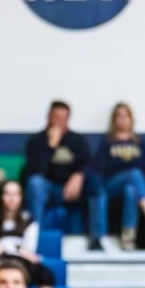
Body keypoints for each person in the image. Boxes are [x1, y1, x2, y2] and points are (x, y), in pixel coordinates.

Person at [22, 100, 103, 250]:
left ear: (68, 119)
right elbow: (35, 171)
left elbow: (88, 164)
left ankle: (96, 239)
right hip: (48, 189)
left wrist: (78, 175)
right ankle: (34, 239)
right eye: (55, 117)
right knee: (35, 183)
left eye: (63, 118)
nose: (59, 121)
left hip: (73, 190)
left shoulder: (77, 140)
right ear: (49, 117)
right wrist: (51, 146)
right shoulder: (36, 141)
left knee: (96, 184)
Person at [92, 102, 145, 250]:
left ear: (131, 119)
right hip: (111, 187)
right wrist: (126, 168)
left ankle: (128, 237)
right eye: (119, 116)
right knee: (133, 174)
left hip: (131, 190)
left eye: (125, 116)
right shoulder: (107, 143)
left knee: (131, 190)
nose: (122, 119)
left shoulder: (140, 143)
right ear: (114, 119)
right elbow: (101, 169)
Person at [0, 181, 52, 287]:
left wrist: (4, 246)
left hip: (21, 263)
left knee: (47, 275)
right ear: (1, 196)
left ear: (21, 197)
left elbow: (29, 251)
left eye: (16, 194)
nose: (12, 199)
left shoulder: (29, 220)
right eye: (7, 194)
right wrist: (17, 248)